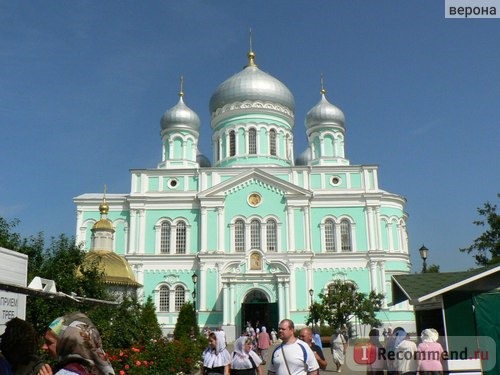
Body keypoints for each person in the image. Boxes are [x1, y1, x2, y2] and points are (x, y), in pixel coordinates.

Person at [38, 312, 115, 375]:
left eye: (49, 342)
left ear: (67, 344)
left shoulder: (68, 372)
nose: (44, 347)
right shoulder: (98, 369)